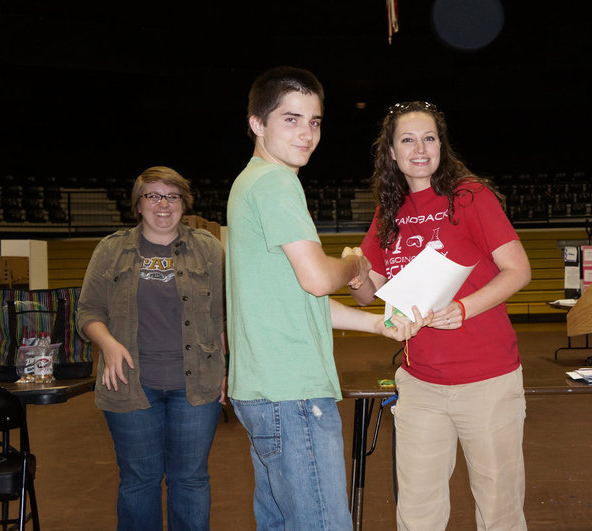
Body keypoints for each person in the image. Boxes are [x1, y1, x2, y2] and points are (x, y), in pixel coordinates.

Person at [226, 66, 430, 530]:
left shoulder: (249, 183)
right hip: (291, 391)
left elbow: (299, 300)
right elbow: (320, 279)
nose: (306, 133)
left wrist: (378, 323)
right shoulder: (276, 183)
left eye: (314, 121)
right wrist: (354, 264)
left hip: (265, 390)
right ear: (257, 123)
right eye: (291, 119)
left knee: (280, 523)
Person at [350, 100, 532, 530]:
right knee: (417, 512)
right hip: (420, 385)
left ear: (441, 146)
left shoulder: (470, 197)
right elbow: (367, 294)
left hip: (487, 380)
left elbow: (519, 270)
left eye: (429, 138)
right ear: (391, 152)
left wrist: (464, 308)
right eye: (407, 140)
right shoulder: (388, 212)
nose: (419, 148)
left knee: (499, 508)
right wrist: (353, 273)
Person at [77, 166, 226, 531]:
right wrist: (108, 343)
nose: (163, 204)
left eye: (172, 196)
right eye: (153, 195)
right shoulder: (111, 249)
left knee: (190, 480)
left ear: (183, 203)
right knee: (139, 481)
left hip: (195, 386)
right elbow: (87, 312)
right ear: (138, 204)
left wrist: (224, 373)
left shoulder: (208, 248)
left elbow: (222, 316)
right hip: (129, 384)